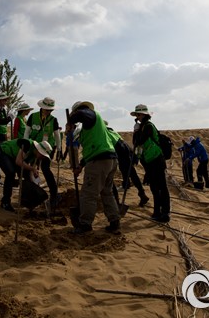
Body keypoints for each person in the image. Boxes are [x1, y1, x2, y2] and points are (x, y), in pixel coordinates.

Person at [66, 101, 120, 234]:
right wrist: (80, 166)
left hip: (99, 162)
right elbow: (91, 151)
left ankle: (85, 225)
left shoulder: (90, 114)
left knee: (88, 194)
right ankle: (114, 221)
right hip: (109, 159)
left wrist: (70, 121)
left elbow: (81, 114)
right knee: (107, 192)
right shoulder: (90, 128)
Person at [131, 104, 170, 223]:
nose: (137, 117)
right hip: (149, 161)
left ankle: (165, 212)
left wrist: (136, 131)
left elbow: (140, 141)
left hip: (157, 159)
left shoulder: (148, 126)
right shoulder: (142, 127)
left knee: (161, 186)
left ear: (144, 115)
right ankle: (157, 211)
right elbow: (136, 144)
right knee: (154, 187)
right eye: (137, 115)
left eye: (139, 114)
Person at [23, 97, 62, 211]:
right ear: (41, 107)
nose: (48, 112)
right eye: (46, 109)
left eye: (50, 110)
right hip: (34, 146)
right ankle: (31, 194)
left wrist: (59, 150)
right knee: (29, 169)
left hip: (47, 148)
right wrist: (25, 144)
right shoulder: (33, 116)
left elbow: (57, 135)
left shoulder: (53, 120)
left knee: (46, 169)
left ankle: (54, 194)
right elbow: (27, 131)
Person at [0, 138, 52, 212]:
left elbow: (29, 169)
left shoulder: (35, 156)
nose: (43, 157)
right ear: (39, 150)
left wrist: (32, 181)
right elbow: (19, 161)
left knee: (27, 177)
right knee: (10, 174)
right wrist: (32, 169)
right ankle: (5, 202)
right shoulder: (27, 145)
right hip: (4, 152)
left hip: (15, 157)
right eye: (43, 155)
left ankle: (25, 201)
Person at [106, 124, 149, 208]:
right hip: (126, 150)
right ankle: (139, 192)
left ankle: (139, 193)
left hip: (122, 152)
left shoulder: (105, 133)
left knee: (129, 172)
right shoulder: (111, 131)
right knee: (130, 172)